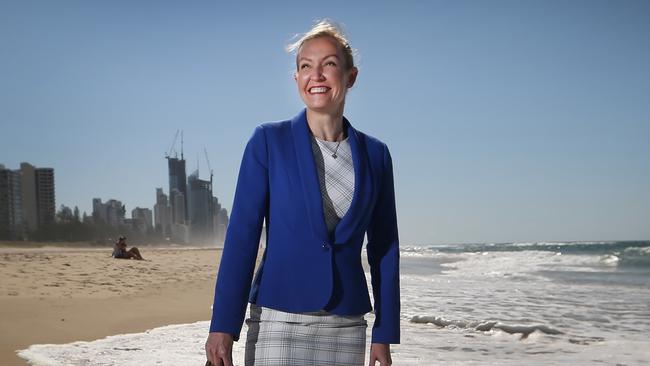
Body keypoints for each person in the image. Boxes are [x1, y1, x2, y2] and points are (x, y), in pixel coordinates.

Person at [205, 20, 400, 366]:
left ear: (350, 77)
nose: (317, 75)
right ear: (297, 79)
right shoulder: (268, 142)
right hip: (277, 320)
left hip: (347, 325)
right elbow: (242, 238)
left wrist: (383, 333)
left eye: (329, 64)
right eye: (306, 66)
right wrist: (223, 326)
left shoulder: (376, 155)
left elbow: (384, 248)